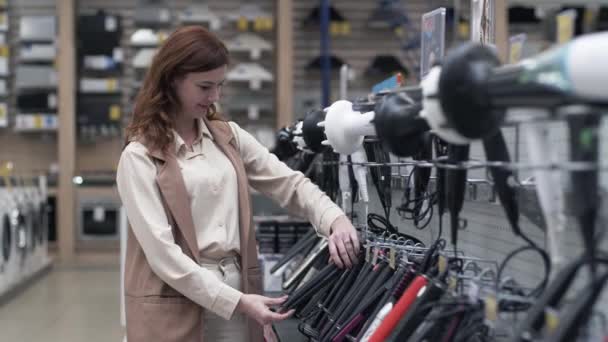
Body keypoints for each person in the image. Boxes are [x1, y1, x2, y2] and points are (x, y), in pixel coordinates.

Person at [116, 25, 360, 342]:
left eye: (219, 86)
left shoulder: (228, 137)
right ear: (172, 79)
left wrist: (334, 219)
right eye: (205, 86)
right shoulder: (139, 157)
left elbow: (289, 183)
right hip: (175, 302)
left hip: (237, 295)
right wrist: (240, 303)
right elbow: (163, 256)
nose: (215, 96)